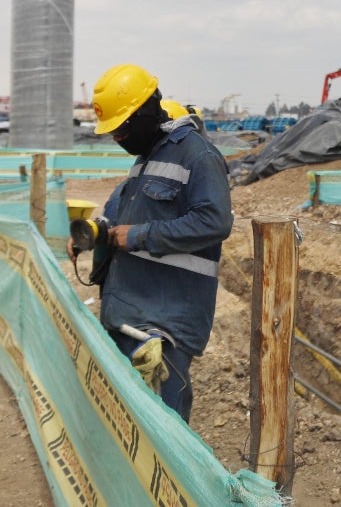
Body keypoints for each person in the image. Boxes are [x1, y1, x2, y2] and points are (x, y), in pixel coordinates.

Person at [82, 64, 234, 423]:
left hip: (165, 326)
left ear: (146, 112)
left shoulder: (198, 156)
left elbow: (214, 221)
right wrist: (98, 233)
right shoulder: (146, 158)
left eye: (121, 128)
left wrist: (136, 236)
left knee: (164, 430)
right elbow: (122, 219)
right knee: (126, 425)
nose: (117, 138)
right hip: (130, 315)